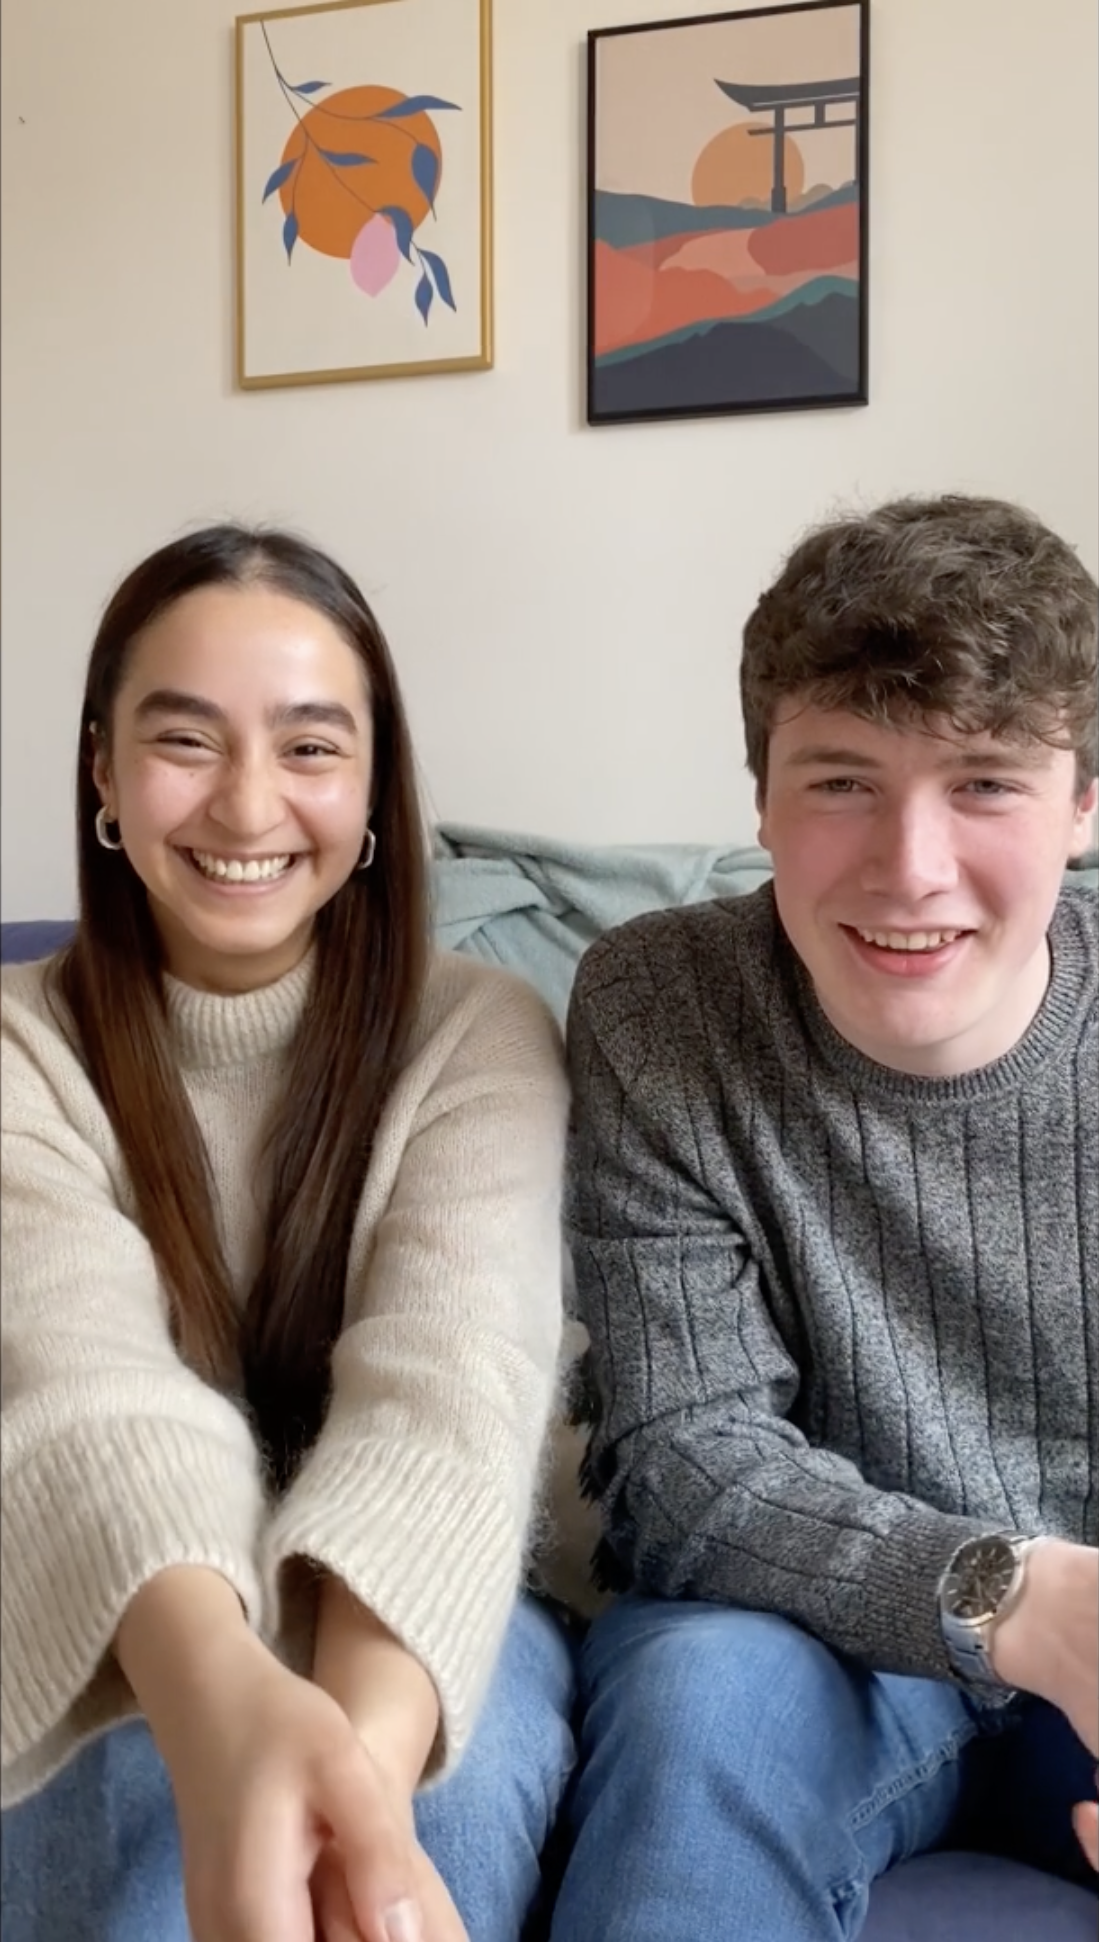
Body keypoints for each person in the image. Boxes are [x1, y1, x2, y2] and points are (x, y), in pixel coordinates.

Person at [0, 524, 573, 1942]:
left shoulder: (477, 1032)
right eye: (184, 739)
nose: (247, 804)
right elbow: (84, 1389)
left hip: (409, 1618)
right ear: (102, 775)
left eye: (312, 747)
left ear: (376, 786)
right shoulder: (18, 1051)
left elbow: (448, 1394)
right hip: (116, 1578)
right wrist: (224, 1719)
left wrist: (352, 1789)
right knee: (96, 1771)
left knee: (461, 1781)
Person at [554, 495, 1099, 1939]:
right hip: (801, 1637)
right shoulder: (658, 1003)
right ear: (757, 797)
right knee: (693, 1694)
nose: (909, 867)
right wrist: (1011, 1594)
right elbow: (680, 1458)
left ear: (1083, 801)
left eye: (984, 781)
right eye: (841, 780)